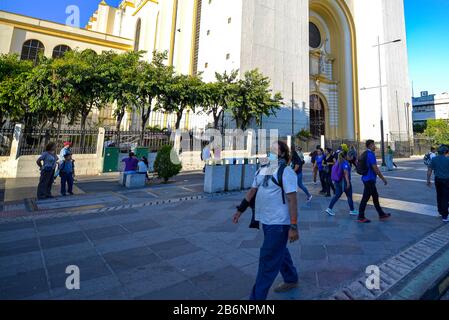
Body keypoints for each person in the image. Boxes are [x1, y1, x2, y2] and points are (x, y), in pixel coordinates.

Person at [233, 141, 299, 300]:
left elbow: (292, 200)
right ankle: (291, 278)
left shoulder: (286, 172)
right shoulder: (262, 169)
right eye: (269, 149)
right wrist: (240, 210)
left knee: (267, 261)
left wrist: (293, 226)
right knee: (279, 250)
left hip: (279, 223)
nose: (270, 151)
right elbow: (252, 191)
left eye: (274, 149)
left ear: (282, 154)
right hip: (266, 221)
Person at [357, 140, 391, 223]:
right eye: (373, 145)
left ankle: (381, 214)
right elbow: (375, 168)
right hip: (369, 180)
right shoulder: (370, 154)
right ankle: (360, 216)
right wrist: (383, 178)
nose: (374, 146)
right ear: (369, 145)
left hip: (367, 179)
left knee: (375, 196)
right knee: (365, 198)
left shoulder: (366, 153)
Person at [325, 151, 358, 216]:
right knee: (349, 196)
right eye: (350, 156)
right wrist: (348, 182)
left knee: (336, 196)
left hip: (337, 182)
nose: (351, 157)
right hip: (344, 182)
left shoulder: (337, 162)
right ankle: (352, 210)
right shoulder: (344, 163)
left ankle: (329, 208)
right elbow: (345, 173)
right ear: (346, 156)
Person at [427, 145, 449, 222]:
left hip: (437, 180)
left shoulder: (434, 159)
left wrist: (428, 180)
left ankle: (440, 211)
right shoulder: (448, 159)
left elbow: (429, 170)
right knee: (445, 197)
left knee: (439, 195)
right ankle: (445, 216)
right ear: (446, 152)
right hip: (446, 181)